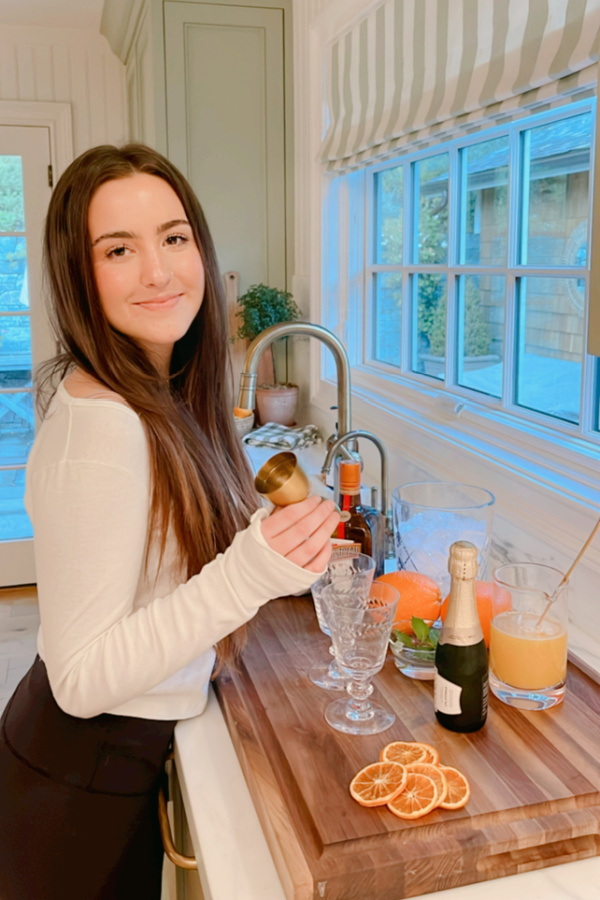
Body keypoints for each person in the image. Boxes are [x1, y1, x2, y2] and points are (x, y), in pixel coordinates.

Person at [0, 144, 340, 900]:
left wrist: (272, 548)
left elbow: (161, 560)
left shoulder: (160, 393)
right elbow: (81, 679)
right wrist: (248, 574)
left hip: (107, 764)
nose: (159, 271)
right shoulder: (104, 429)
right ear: (77, 276)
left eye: (174, 237)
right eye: (118, 249)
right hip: (77, 782)